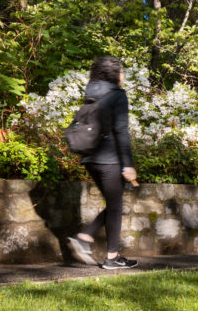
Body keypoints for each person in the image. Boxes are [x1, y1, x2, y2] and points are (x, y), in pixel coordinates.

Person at [66, 56, 138, 269]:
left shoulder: (92, 93)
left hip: (90, 158)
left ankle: (88, 240)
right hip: (109, 159)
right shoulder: (117, 95)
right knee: (115, 206)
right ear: (114, 73)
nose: (124, 75)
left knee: (113, 204)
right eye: (121, 71)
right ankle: (110, 257)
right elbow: (121, 131)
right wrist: (128, 164)